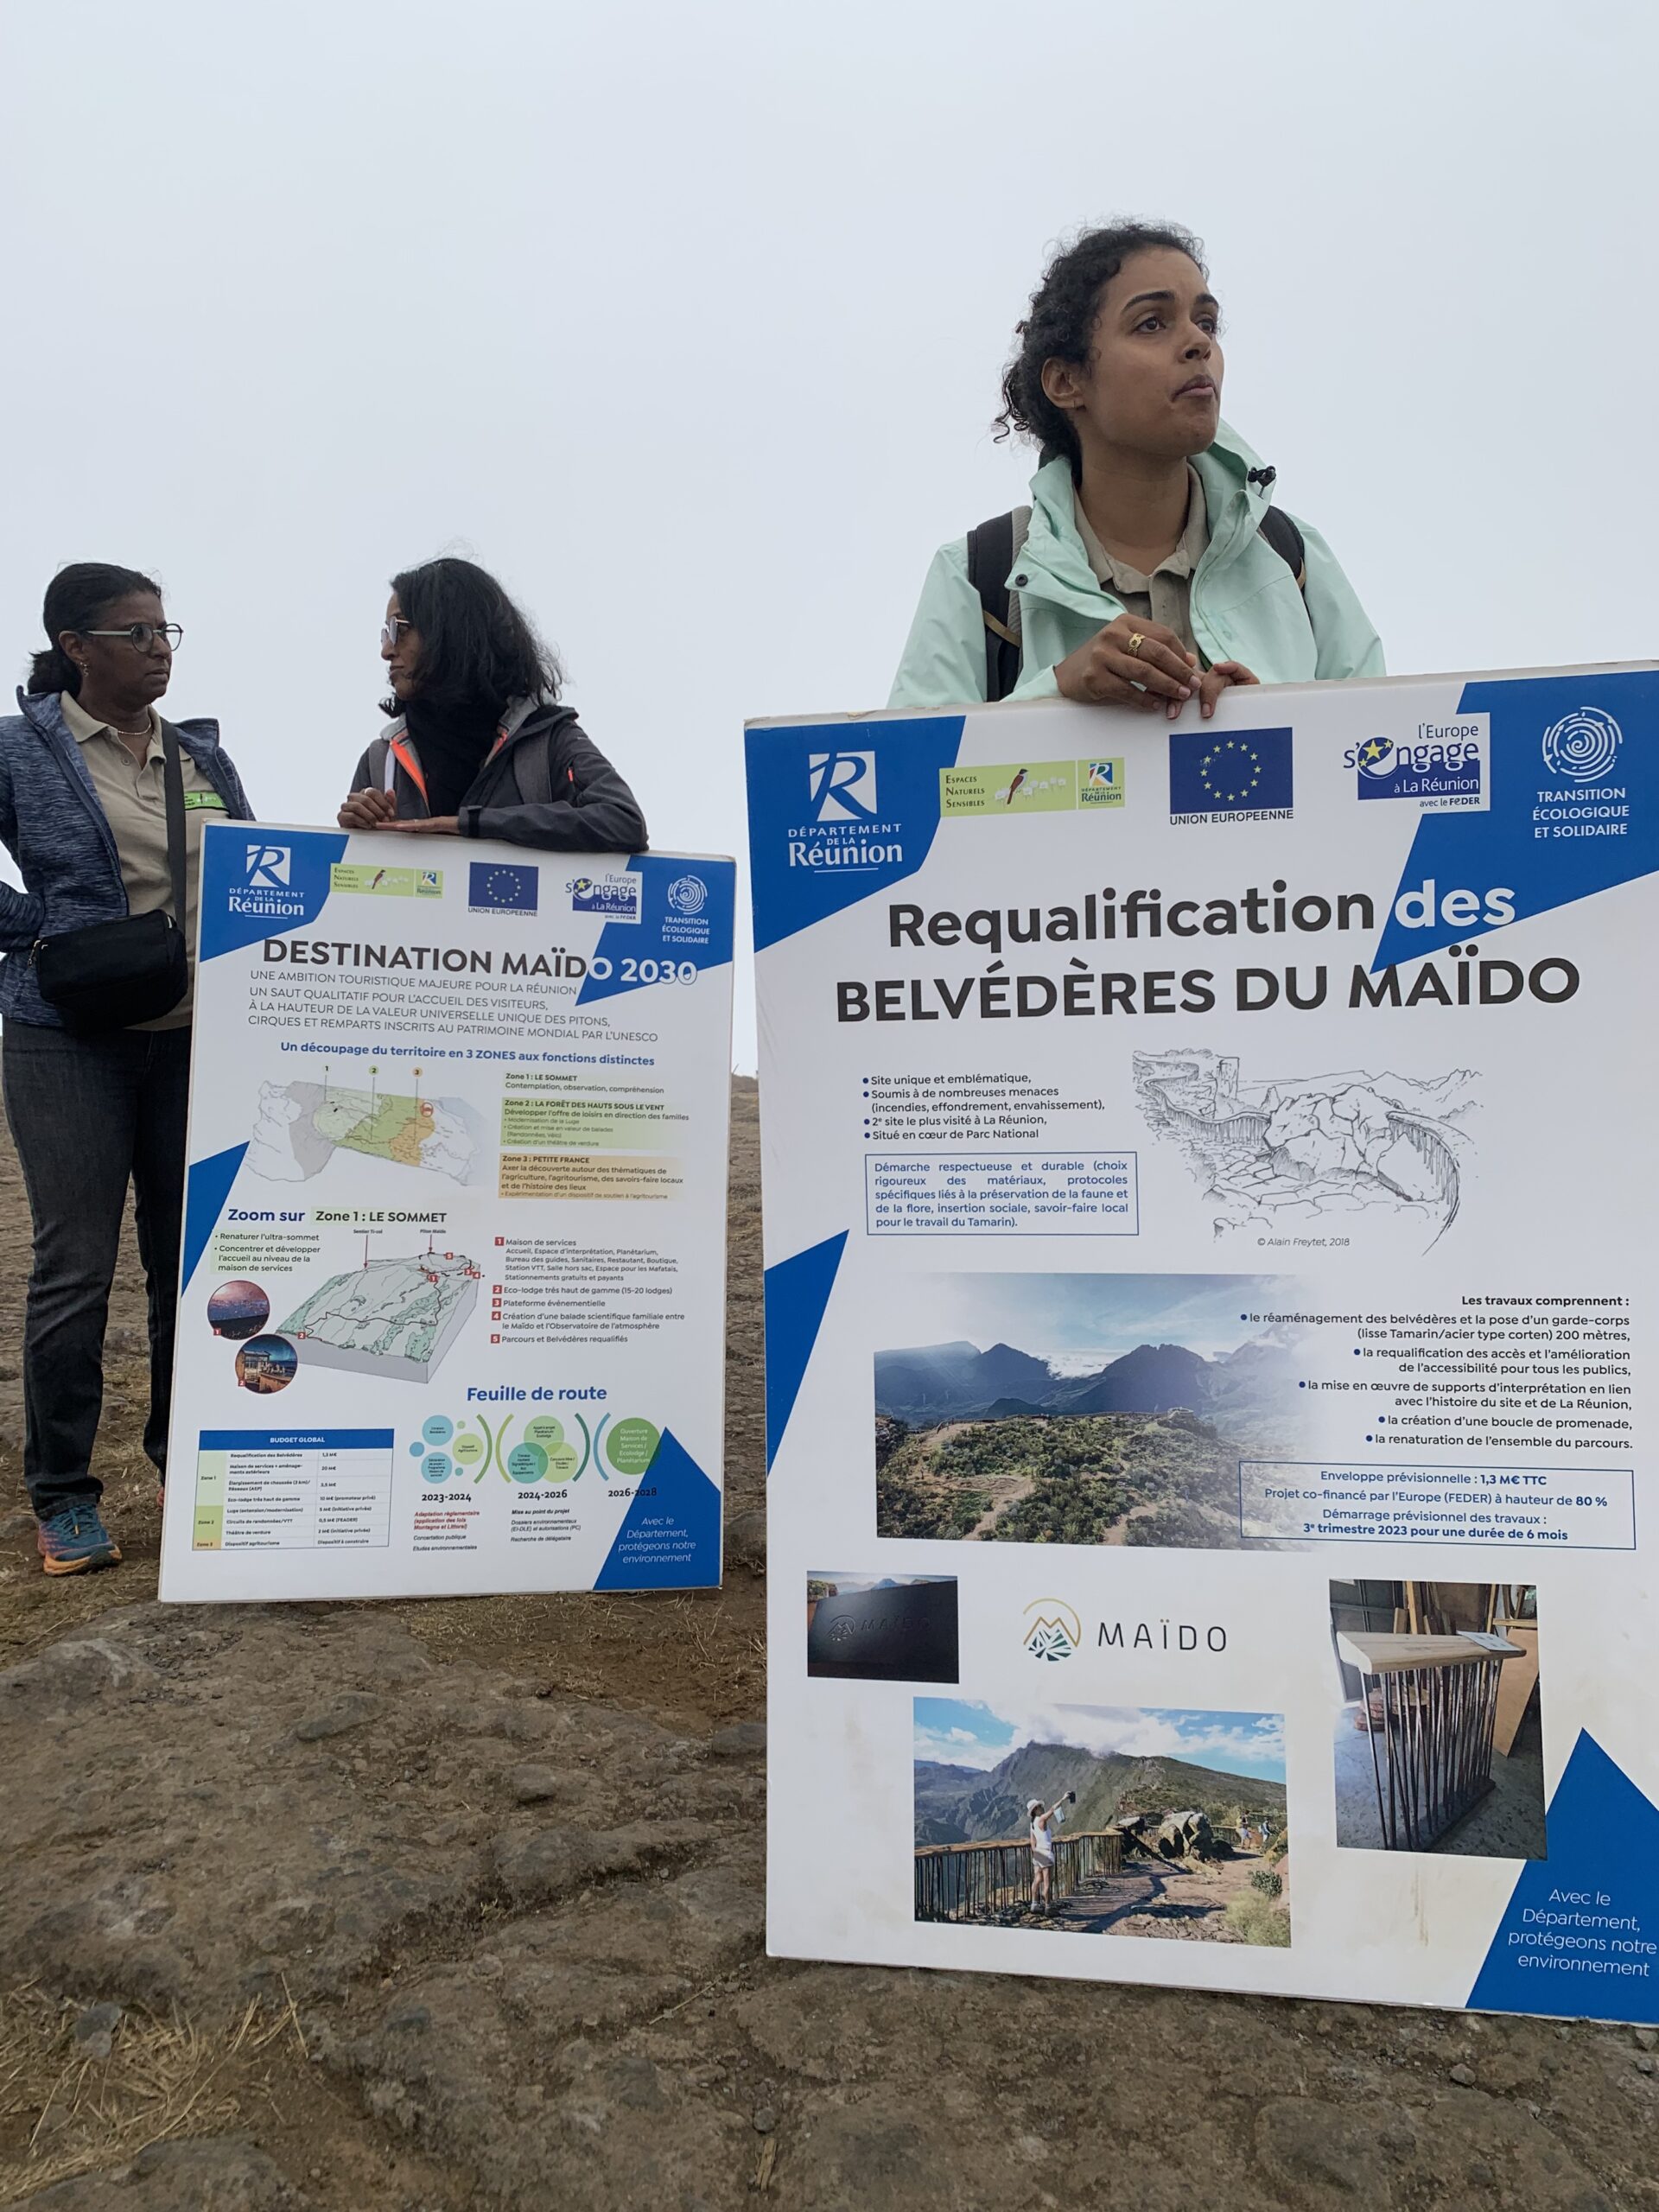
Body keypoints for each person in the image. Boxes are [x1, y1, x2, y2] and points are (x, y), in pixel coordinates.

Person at [0, 564, 253, 1574]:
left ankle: (182, 1459)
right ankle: (61, 1495)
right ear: (77, 646)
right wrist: (53, 930)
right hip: (66, 1036)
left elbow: (252, 874)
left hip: (196, 1037)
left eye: (166, 627)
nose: (161, 645)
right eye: (136, 630)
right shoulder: (23, 749)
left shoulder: (202, 757)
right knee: (76, 1266)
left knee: (186, 1263)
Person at [890, 221, 1382, 714]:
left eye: (1206, 323)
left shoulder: (1292, 556)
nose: (1199, 344)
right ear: (1066, 381)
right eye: (1152, 323)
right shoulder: (979, 574)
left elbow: (1376, 758)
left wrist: (1263, 726)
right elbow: (911, 779)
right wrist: (1060, 690)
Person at [338, 558, 646, 850]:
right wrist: (361, 832)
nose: (387, 651)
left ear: (451, 631)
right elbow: (351, 889)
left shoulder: (547, 742)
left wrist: (472, 824)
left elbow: (623, 821)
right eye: (385, 634)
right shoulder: (382, 761)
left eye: (399, 629)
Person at [1027, 1790, 1073, 1914]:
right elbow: (1053, 1809)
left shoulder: (1032, 1825)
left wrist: (1036, 1854)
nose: (1042, 1808)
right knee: (1047, 1882)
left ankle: (1034, 1904)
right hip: (1046, 1854)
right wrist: (1063, 1798)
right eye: (1040, 1807)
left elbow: (1032, 1842)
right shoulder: (1041, 1820)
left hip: (1037, 1854)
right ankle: (1048, 1907)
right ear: (1035, 1809)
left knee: (1037, 1879)